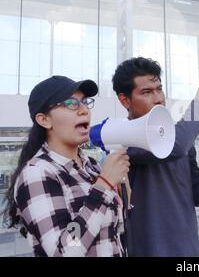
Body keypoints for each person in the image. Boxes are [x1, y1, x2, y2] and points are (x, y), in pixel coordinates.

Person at [111, 57, 199, 256]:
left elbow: (196, 193)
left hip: (188, 250)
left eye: (159, 89)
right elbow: (177, 144)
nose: (158, 98)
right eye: (146, 92)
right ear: (124, 100)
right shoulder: (122, 138)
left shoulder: (179, 137)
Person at [4, 76, 130, 256]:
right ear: (44, 120)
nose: (84, 110)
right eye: (71, 103)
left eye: (85, 102)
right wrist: (104, 185)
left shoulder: (91, 166)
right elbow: (63, 251)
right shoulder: (37, 173)